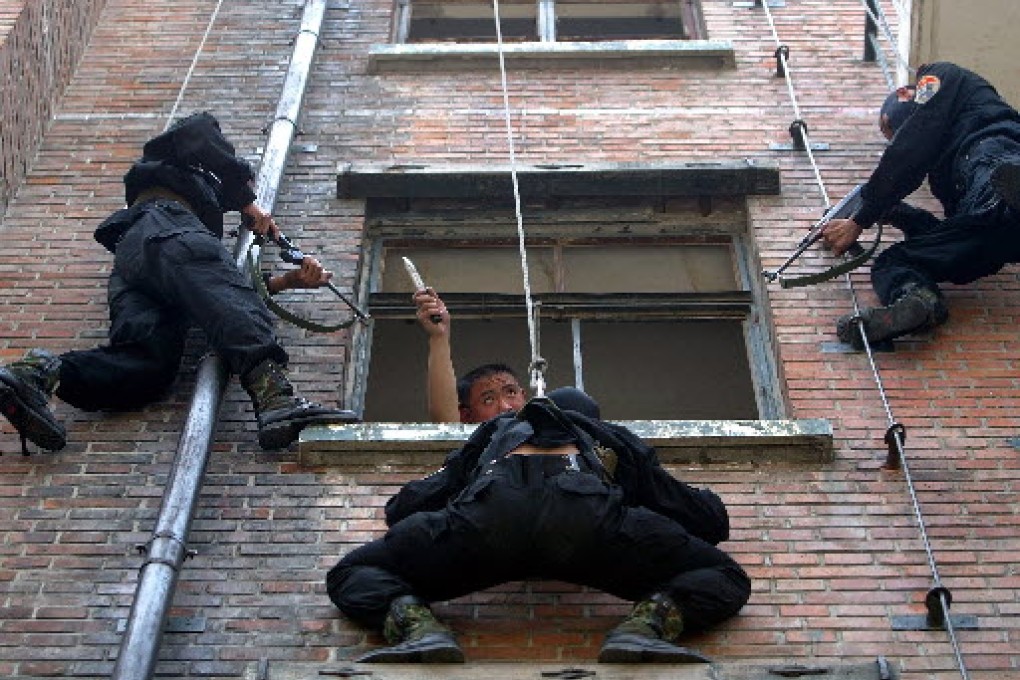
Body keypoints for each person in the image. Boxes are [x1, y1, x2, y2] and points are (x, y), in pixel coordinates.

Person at [0, 111, 357, 454]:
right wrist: (247, 202)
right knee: (217, 283)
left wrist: (289, 280)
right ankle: (276, 396)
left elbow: (209, 289)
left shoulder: (176, 238)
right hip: (164, 227)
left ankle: (36, 374)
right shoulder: (178, 157)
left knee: (149, 365)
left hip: (136, 259)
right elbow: (199, 130)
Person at [325, 387, 750, 664]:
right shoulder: (607, 435)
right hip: (586, 522)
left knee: (351, 571)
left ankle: (418, 628)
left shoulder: (496, 430)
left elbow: (407, 507)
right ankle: (646, 627)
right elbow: (702, 518)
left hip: (489, 519)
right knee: (725, 575)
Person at [822, 62, 1020, 349]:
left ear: (906, 97)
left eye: (891, 131)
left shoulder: (941, 78)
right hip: (994, 230)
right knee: (894, 262)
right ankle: (918, 302)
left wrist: (862, 217)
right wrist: (898, 213)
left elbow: (913, 145)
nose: (895, 139)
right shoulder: (944, 177)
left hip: (996, 158)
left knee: (995, 178)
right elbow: (952, 233)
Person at [413, 287, 526, 423]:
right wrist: (439, 336)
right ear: (466, 415)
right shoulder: (476, 443)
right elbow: (446, 425)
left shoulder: (548, 436)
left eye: (511, 392)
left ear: (524, 398)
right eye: (488, 400)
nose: (506, 407)